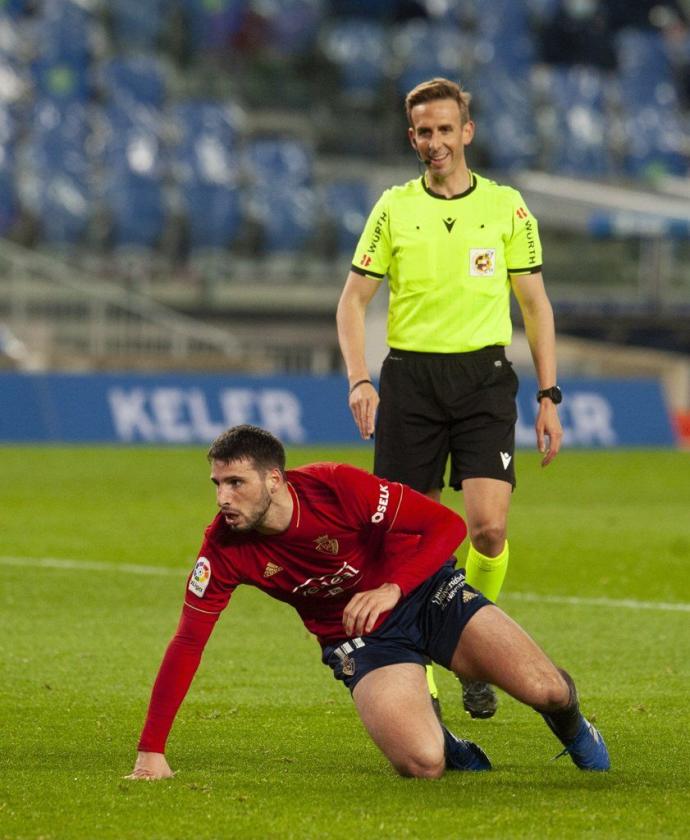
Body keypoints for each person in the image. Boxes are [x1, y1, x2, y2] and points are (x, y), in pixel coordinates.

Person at [126, 424, 609, 781]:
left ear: (275, 479)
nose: (222, 498)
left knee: (546, 689)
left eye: (236, 483)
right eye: (217, 484)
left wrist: (393, 587)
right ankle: (446, 740)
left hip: (424, 594)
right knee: (423, 763)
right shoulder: (223, 547)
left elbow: (447, 526)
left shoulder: (336, 487)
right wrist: (151, 750)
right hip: (361, 639)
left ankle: (576, 730)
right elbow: (188, 641)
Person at [336, 77, 564, 720]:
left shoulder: (507, 208)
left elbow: (535, 304)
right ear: (412, 138)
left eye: (445, 129)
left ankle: (472, 646)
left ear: (467, 131)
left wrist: (549, 394)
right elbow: (352, 301)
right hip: (409, 382)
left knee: (488, 527)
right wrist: (360, 379)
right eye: (423, 132)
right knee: (407, 540)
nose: (435, 142)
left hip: (485, 380)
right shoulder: (393, 208)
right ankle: (429, 674)